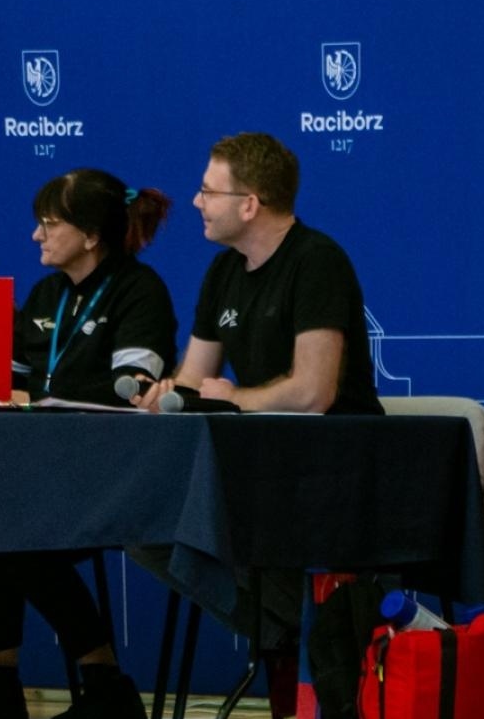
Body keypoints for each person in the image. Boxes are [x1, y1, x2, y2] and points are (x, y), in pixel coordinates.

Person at [129, 132, 382, 651]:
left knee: (210, 522)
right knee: (144, 520)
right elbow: (196, 381)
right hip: (258, 463)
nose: (196, 202)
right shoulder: (224, 269)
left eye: (208, 191)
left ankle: (312, 646)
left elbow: (314, 393)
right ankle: (291, 643)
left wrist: (234, 400)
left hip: (331, 465)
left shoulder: (316, 261)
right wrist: (163, 396)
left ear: (249, 205)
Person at [0, 169, 176, 719]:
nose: (35, 237)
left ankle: (101, 682)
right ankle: (5, 685)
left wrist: (42, 398)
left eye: (49, 224)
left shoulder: (139, 291)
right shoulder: (48, 294)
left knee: (18, 527)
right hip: (41, 474)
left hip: (116, 472)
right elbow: (13, 381)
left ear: (92, 235)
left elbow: (132, 390)